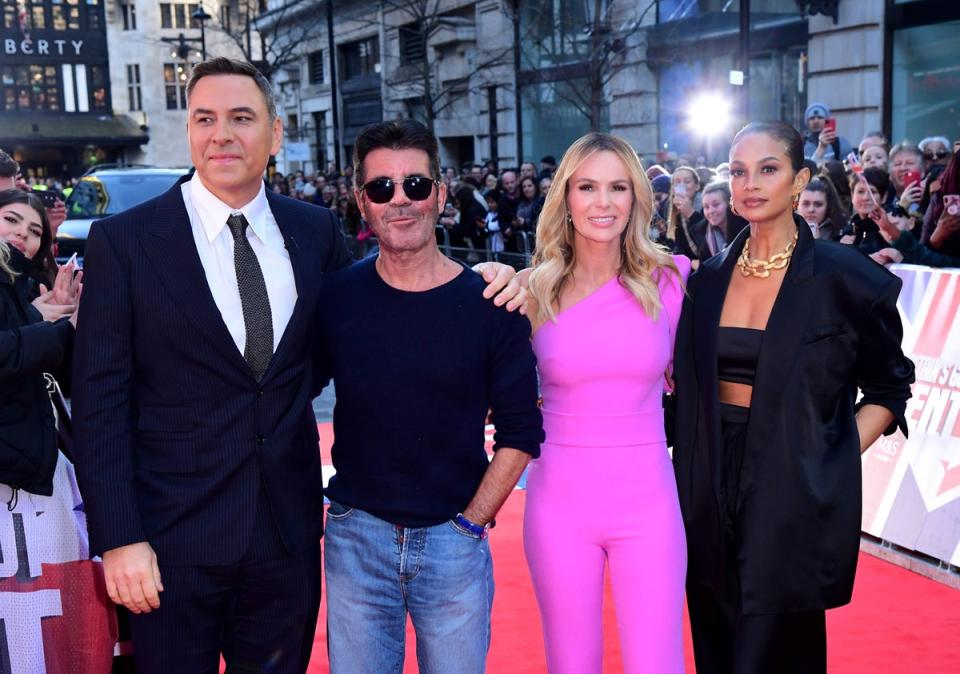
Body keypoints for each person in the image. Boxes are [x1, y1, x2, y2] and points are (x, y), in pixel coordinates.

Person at [71, 58, 523, 674]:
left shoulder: (312, 233)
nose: (222, 135)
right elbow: (99, 404)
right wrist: (120, 538)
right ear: (190, 131)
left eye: (241, 118)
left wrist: (492, 280)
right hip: (168, 545)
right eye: (205, 118)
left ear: (275, 134)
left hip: (286, 544)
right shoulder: (124, 242)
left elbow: (392, 297)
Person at [673, 121, 914, 674]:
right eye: (737, 171)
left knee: (777, 652)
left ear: (799, 179)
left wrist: (827, 454)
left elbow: (890, 385)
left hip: (790, 491)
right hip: (707, 484)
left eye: (768, 169)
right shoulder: (704, 281)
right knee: (716, 643)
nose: (750, 183)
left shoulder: (847, 280)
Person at [318, 119, 543, 674]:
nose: (401, 201)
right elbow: (282, 396)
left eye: (416, 185)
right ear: (361, 202)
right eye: (382, 188)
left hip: (454, 543)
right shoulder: (337, 298)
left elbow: (521, 432)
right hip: (356, 539)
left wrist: (469, 524)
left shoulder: (492, 302)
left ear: (440, 195)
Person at [523, 132, 689, 674]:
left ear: (636, 198)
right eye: (587, 186)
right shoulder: (531, 291)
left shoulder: (671, 281)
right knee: (571, 664)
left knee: (656, 663)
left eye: (618, 187)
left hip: (649, 503)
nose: (603, 202)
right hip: (557, 504)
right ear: (565, 198)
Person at [840, 166, 893, 255]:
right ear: (852, 195)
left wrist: (847, 251)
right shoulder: (848, 229)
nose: (865, 198)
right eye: (860, 191)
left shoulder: (891, 228)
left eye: (873, 192)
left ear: (884, 197)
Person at [668, 166, 708, 264]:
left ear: (697, 186)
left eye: (687, 181)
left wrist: (690, 213)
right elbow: (681, 247)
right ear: (673, 188)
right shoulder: (676, 213)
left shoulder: (707, 206)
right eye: (677, 182)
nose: (682, 186)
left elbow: (709, 241)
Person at [700, 181, 748, 256]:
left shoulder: (746, 229)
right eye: (706, 207)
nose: (711, 211)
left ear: (729, 204)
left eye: (716, 205)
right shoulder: (702, 232)